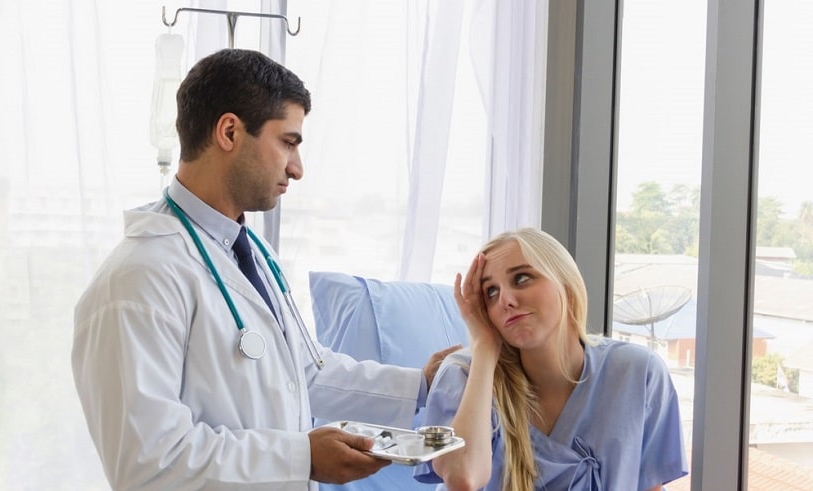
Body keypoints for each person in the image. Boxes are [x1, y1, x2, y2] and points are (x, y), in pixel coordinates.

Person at [72, 48, 460, 490]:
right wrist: (302, 457)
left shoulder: (250, 251)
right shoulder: (140, 278)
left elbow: (302, 371)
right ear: (229, 131)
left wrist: (420, 385)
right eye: (288, 143)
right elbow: (149, 462)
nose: (297, 168)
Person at [413, 228, 688, 490]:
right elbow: (464, 479)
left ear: (565, 283)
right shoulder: (463, 374)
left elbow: (650, 486)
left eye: (521, 278)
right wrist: (484, 347)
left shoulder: (638, 373)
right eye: (491, 292)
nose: (505, 300)